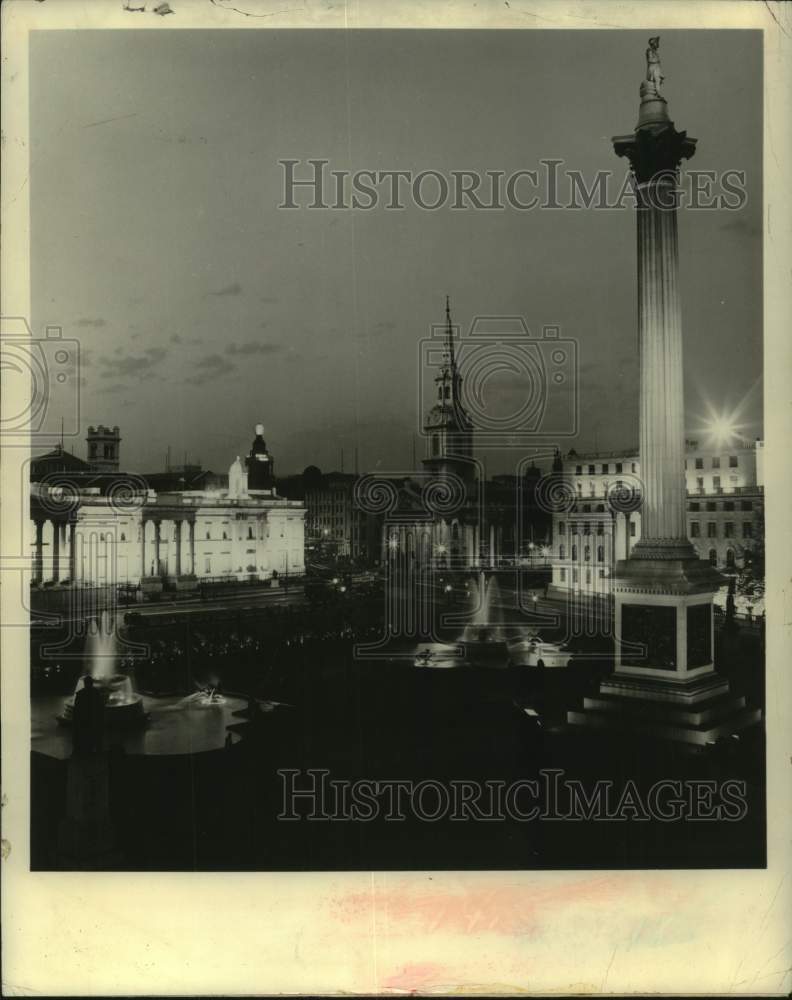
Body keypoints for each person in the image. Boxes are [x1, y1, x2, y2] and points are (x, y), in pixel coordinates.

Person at [72, 675, 105, 755]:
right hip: (94, 719)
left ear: (84, 683)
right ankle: (96, 753)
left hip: (83, 719)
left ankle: (85, 752)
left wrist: (75, 720)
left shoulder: (80, 694)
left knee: (85, 736)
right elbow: (100, 706)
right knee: (95, 738)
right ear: (92, 683)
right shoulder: (96, 693)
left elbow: (76, 709)